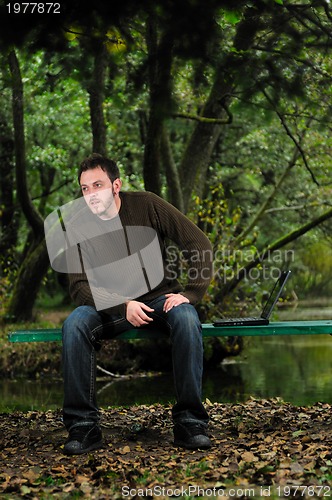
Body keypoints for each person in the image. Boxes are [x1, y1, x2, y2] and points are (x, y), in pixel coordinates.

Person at [60, 153, 213, 455]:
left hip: (158, 299)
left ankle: (189, 423)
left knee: (186, 317)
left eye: (98, 185)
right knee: (75, 323)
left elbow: (199, 243)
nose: (91, 194)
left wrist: (193, 293)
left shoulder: (147, 204)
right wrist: (122, 304)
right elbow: (78, 287)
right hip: (108, 307)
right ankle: (83, 426)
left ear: (116, 185)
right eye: (85, 188)